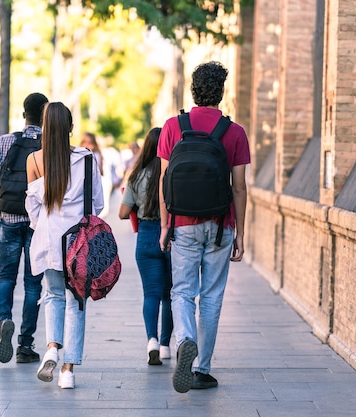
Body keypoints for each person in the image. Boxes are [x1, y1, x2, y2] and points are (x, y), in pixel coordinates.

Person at [157, 62, 250, 393]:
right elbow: (239, 187)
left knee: (182, 291)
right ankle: (201, 368)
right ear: (221, 92)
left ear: (193, 91)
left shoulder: (172, 127)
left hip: (182, 222)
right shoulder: (235, 132)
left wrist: (165, 225)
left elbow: (165, 181)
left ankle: (184, 340)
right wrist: (240, 232)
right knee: (211, 295)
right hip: (220, 224)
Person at [25, 102, 104, 389]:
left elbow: (33, 210)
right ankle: (68, 371)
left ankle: (51, 348)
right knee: (76, 302)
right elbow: (98, 204)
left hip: (48, 239)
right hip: (77, 240)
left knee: (53, 296)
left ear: (45, 128)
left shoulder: (34, 160)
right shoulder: (86, 159)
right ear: (71, 128)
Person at [0, 92, 49, 364]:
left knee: (5, 278)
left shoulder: (5, 141)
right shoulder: (49, 145)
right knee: (33, 284)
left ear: (24, 114)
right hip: (37, 223)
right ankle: (25, 345)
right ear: (45, 116)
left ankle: (3, 320)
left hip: (9, 218)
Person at [118, 127, 173, 366]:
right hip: (170, 235)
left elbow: (121, 213)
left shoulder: (136, 175)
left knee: (150, 293)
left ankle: (151, 339)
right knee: (169, 295)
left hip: (146, 237)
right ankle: (165, 345)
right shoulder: (171, 173)